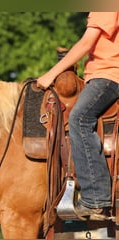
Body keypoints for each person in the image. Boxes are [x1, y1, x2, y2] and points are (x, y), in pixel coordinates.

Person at [37, 12, 119, 220]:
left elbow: (85, 44)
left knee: (79, 119)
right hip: (99, 74)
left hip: (109, 75)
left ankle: (95, 199)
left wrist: (51, 74)